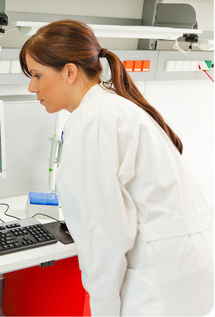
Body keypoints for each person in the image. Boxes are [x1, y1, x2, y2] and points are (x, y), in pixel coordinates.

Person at [20, 20, 213, 316]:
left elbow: (103, 236)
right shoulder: (111, 107)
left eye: (36, 75)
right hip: (187, 267)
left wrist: (103, 309)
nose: (32, 86)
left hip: (162, 277)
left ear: (69, 72)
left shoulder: (94, 120)